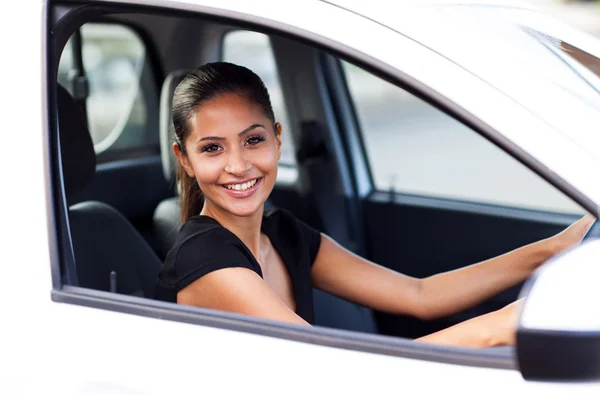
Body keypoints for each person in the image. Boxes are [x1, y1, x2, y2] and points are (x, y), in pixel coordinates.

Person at [155, 62, 594, 347]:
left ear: (277, 139)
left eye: (253, 140)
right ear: (185, 161)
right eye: (212, 149)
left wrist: (553, 249)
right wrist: (501, 325)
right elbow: (336, 366)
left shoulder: (285, 232)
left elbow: (417, 294)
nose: (238, 165)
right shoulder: (205, 259)